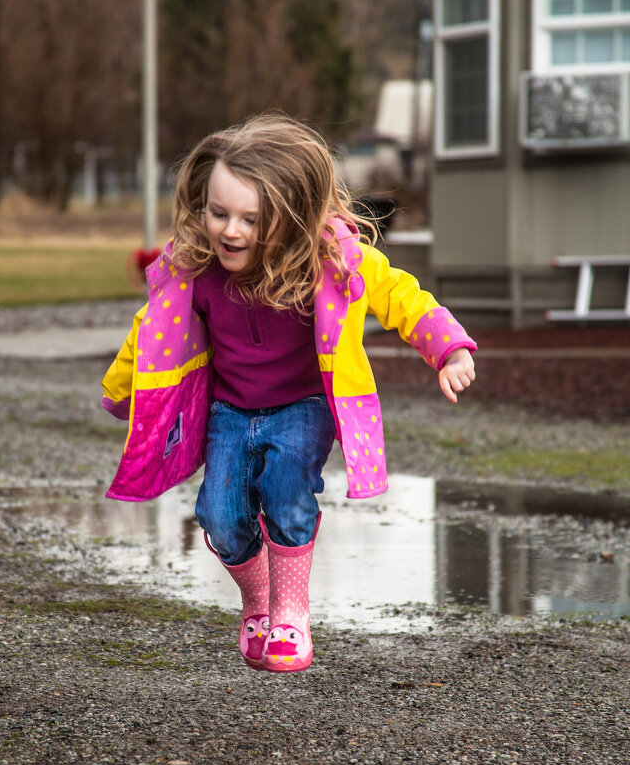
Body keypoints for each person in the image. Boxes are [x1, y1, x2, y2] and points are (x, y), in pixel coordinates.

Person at [102, 114, 476, 674]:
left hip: (302, 408)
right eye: (218, 212)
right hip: (228, 412)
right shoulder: (194, 271)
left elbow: (400, 294)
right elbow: (149, 336)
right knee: (220, 516)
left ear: (293, 221)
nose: (230, 230)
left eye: (251, 220)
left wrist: (448, 348)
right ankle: (258, 604)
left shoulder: (329, 263)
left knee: (285, 493)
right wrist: (124, 392)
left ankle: (292, 611)